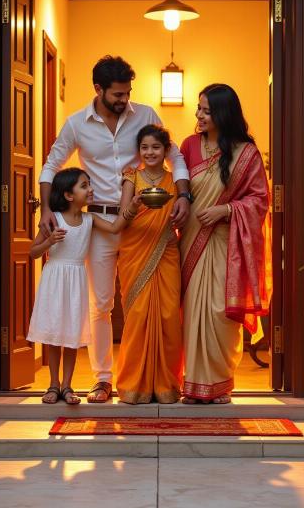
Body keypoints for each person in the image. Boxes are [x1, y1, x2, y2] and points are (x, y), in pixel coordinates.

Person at [38, 56, 190, 403]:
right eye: (118, 94)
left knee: (141, 303)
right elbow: (51, 165)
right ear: (99, 90)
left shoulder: (146, 115)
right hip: (99, 224)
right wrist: (47, 208)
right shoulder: (76, 124)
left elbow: (175, 156)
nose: (125, 100)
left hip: (143, 224)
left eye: (127, 93)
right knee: (102, 304)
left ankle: (146, 379)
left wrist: (183, 194)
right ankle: (103, 379)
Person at [180, 84, 270, 405]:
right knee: (192, 313)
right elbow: (179, 190)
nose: (199, 115)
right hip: (191, 242)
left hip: (225, 244)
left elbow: (260, 200)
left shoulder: (246, 153)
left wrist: (226, 209)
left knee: (219, 312)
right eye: (198, 108)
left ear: (222, 113)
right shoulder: (189, 146)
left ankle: (220, 384)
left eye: (206, 110)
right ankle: (192, 383)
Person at [27, 167, 141, 404]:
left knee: (71, 334)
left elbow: (115, 227)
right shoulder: (54, 219)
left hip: (77, 279)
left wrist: (132, 206)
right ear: (69, 195)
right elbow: (33, 252)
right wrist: (49, 241)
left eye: (89, 184)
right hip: (55, 279)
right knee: (54, 335)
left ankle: (67, 386)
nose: (91, 190)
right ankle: (53, 385)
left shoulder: (89, 220)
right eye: (84, 186)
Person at [116, 124, 184, 404]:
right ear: (138, 150)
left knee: (169, 316)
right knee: (138, 316)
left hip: (167, 250)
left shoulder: (175, 181)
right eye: (144, 147)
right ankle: (135, 385)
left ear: (166, 150)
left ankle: (167, 385)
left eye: (156, 147)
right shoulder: (132, 177)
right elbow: (123, 216)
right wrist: (134, 204)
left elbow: (182, 212)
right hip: (136, 250)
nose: (150, 152)